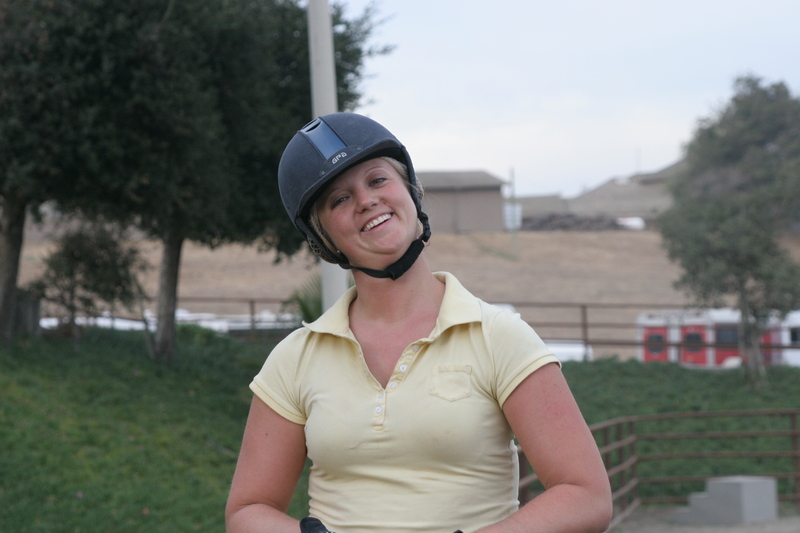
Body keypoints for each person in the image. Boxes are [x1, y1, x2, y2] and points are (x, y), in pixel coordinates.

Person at [225, 113, 613, 533]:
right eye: (339, 199)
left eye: (377, 180)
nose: (366, 201)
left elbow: (586, 495)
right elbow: (248, 510)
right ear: (323, 239)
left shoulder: (499, 337)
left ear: (411, 191)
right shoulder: (294, 359)